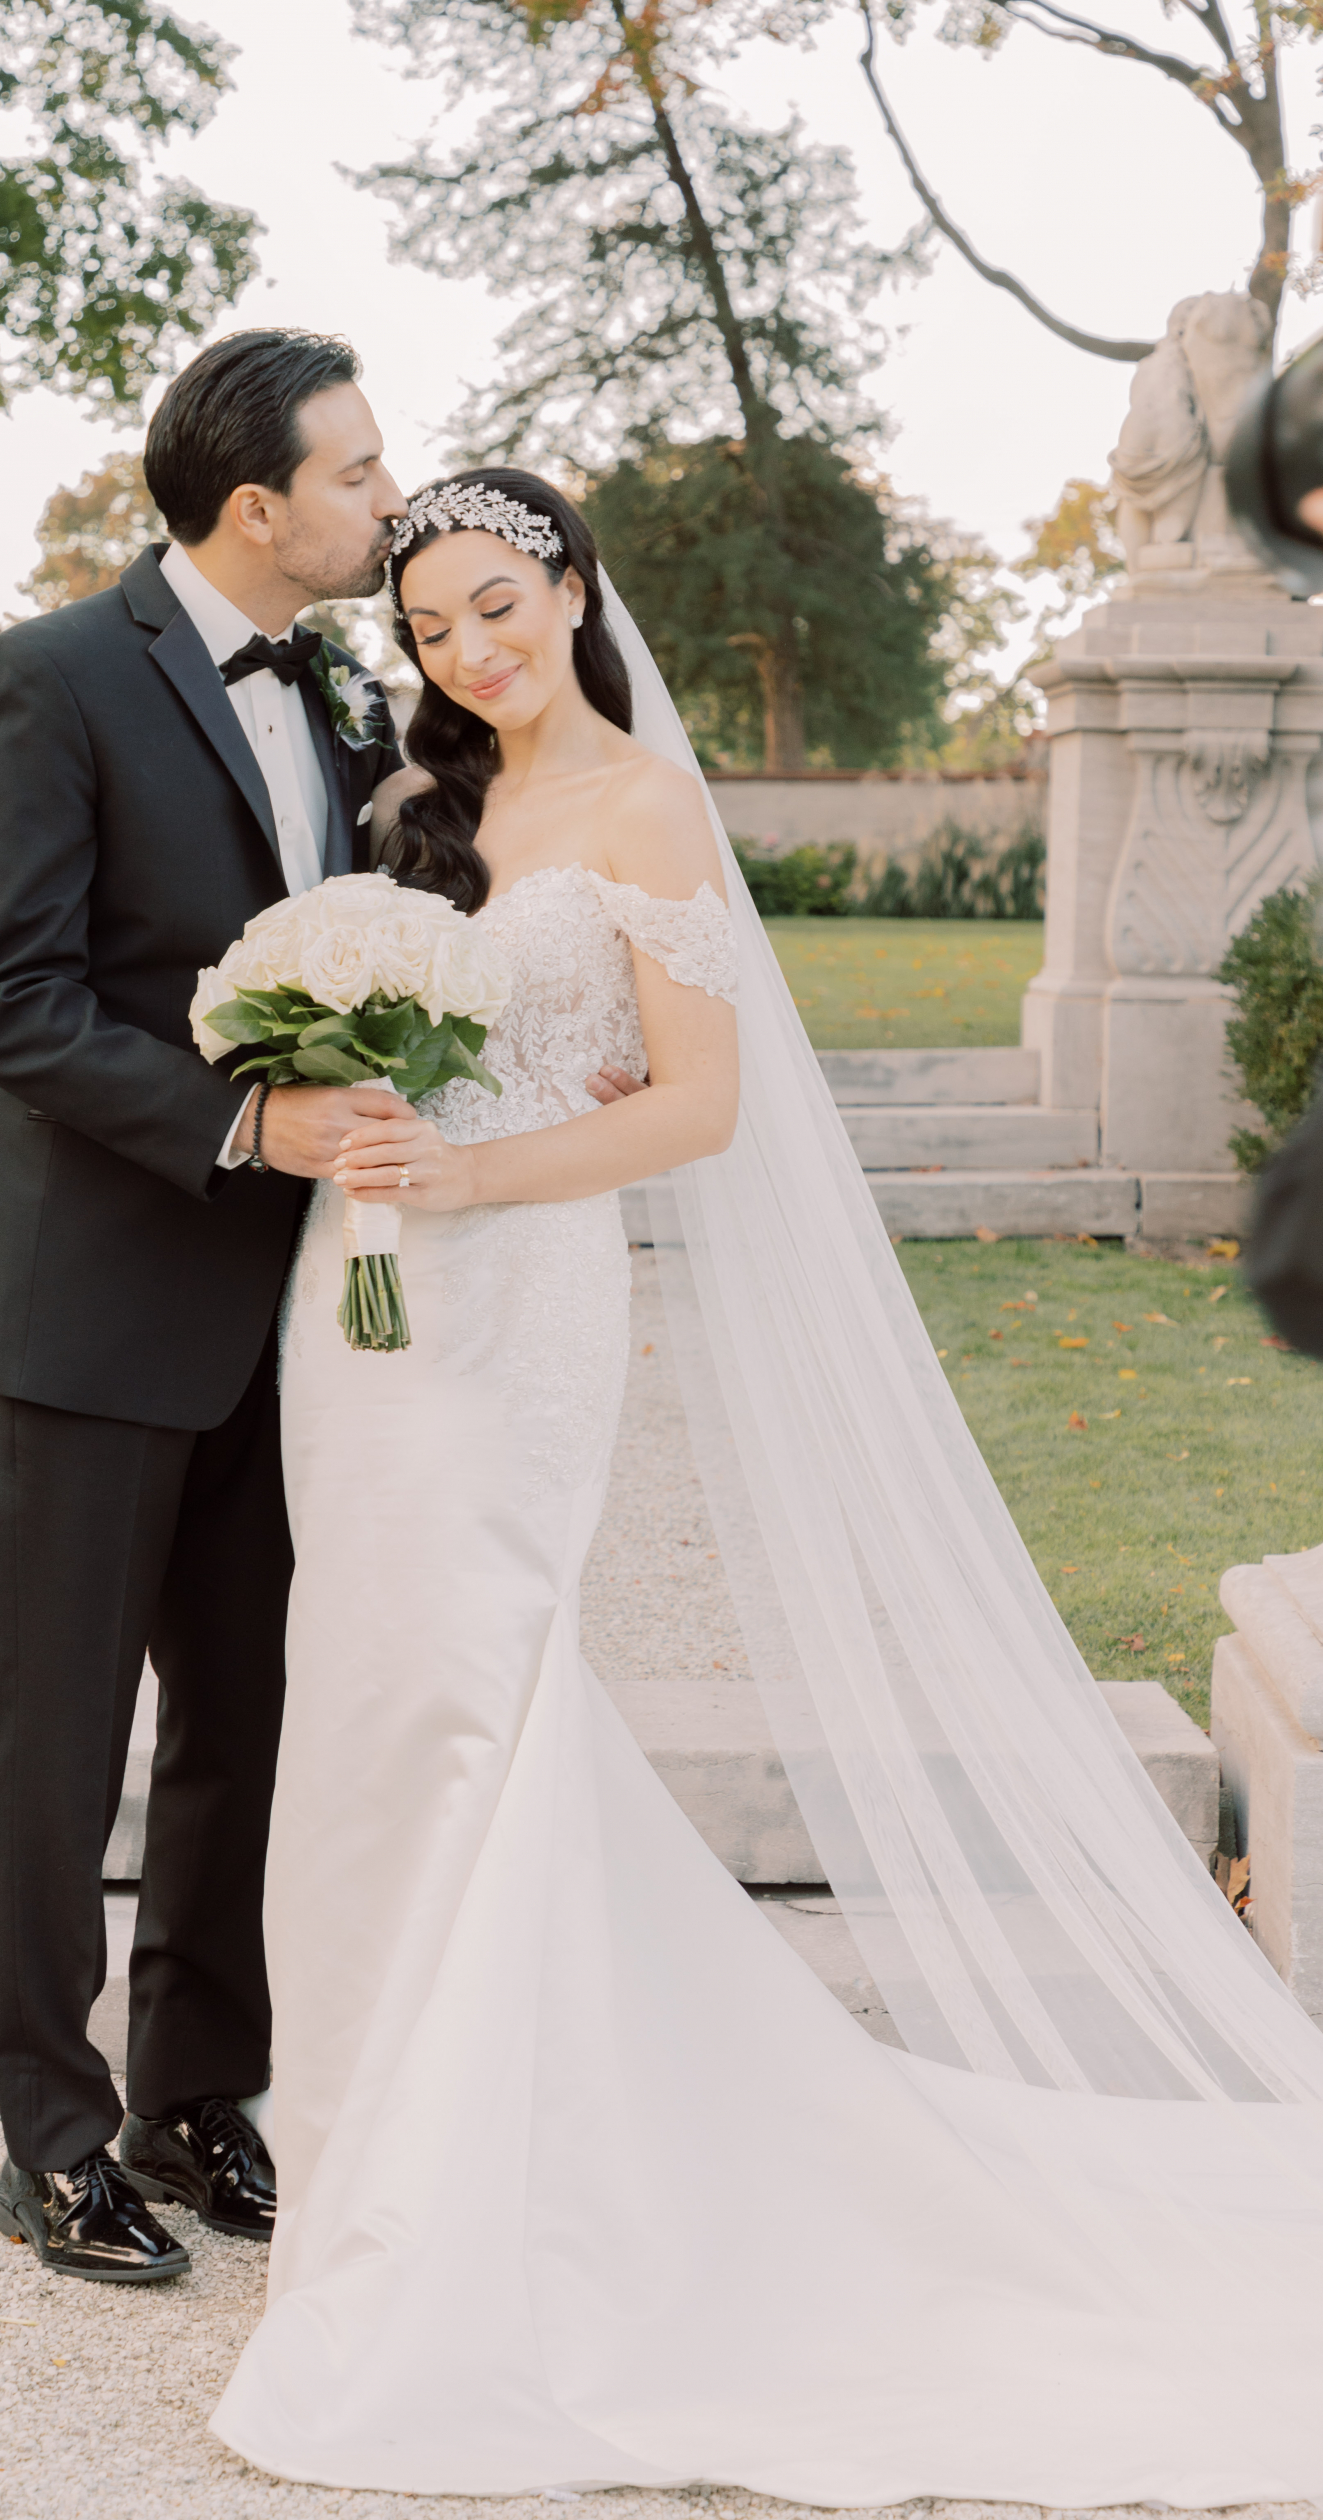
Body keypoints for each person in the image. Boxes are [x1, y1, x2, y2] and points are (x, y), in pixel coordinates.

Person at [209, 470, 1323, 2499]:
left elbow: (699, 1106)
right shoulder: (416, 805)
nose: (470, 649)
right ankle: (380, 2161)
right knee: (367, 1716)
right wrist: (340, 1092)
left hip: (517, 1293)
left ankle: (472, 2218)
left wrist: (475, 1166)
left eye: (497, 603)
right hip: (357, 1303)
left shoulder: (646, 804)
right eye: (434, 627)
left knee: (474, 1705)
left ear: (570, 585)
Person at [0, 329, 415, 2282]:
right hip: (96, 1302)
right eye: (360, 472)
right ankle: (50, 2140)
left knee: (246, 1723)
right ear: (259, 505)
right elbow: (7, 1001)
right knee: (59, 1742)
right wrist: (243, 1123)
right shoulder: (51, 680)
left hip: (297, 1317)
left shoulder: (352, 695)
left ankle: (195, 2095)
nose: (389, 498)